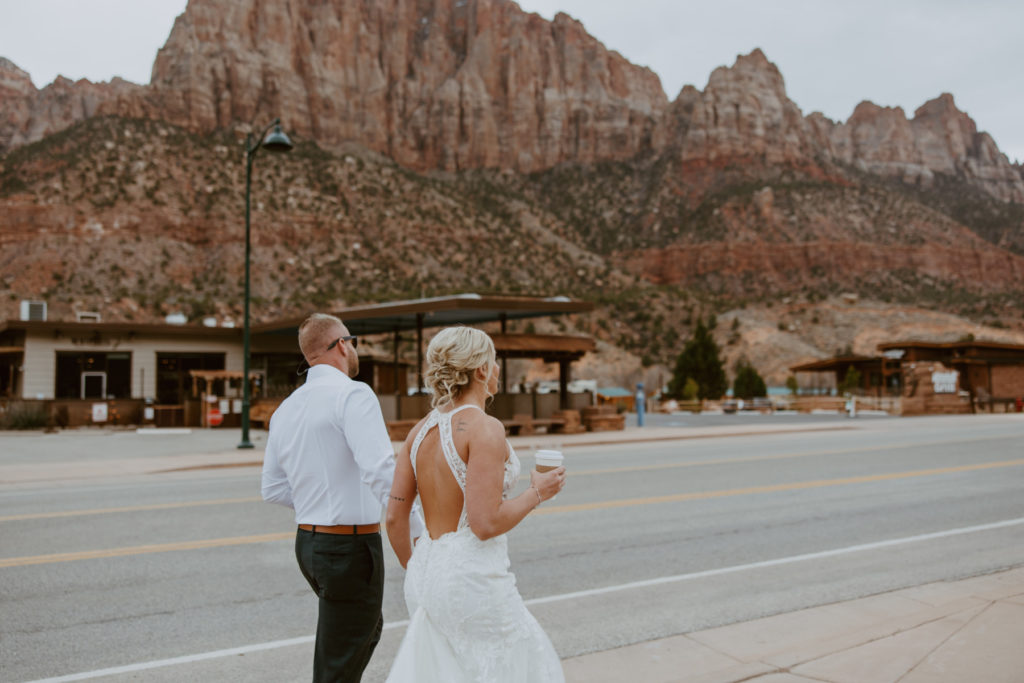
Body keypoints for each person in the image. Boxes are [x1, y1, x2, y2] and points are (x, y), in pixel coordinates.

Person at [384, 327, 567, 682]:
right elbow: (485, 524)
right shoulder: (484, 428)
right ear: (482, 370)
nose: (497, 369)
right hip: (471, 578)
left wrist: (421, 569)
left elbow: (394, 518)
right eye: (494, 361)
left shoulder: (418, 432)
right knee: (512, 665)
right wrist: (537, 492)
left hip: (425, 576)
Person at [262, 312, 424, 683]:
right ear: (341, 345)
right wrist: (417, 533)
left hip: (309, 545)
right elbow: (382, 470)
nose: (354, 349)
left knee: (359, 635)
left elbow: (271, 488)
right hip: (349, 548)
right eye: (352, 342)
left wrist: (317, 506)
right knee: (342, 656)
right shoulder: (354, 394)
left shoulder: (285, 409)